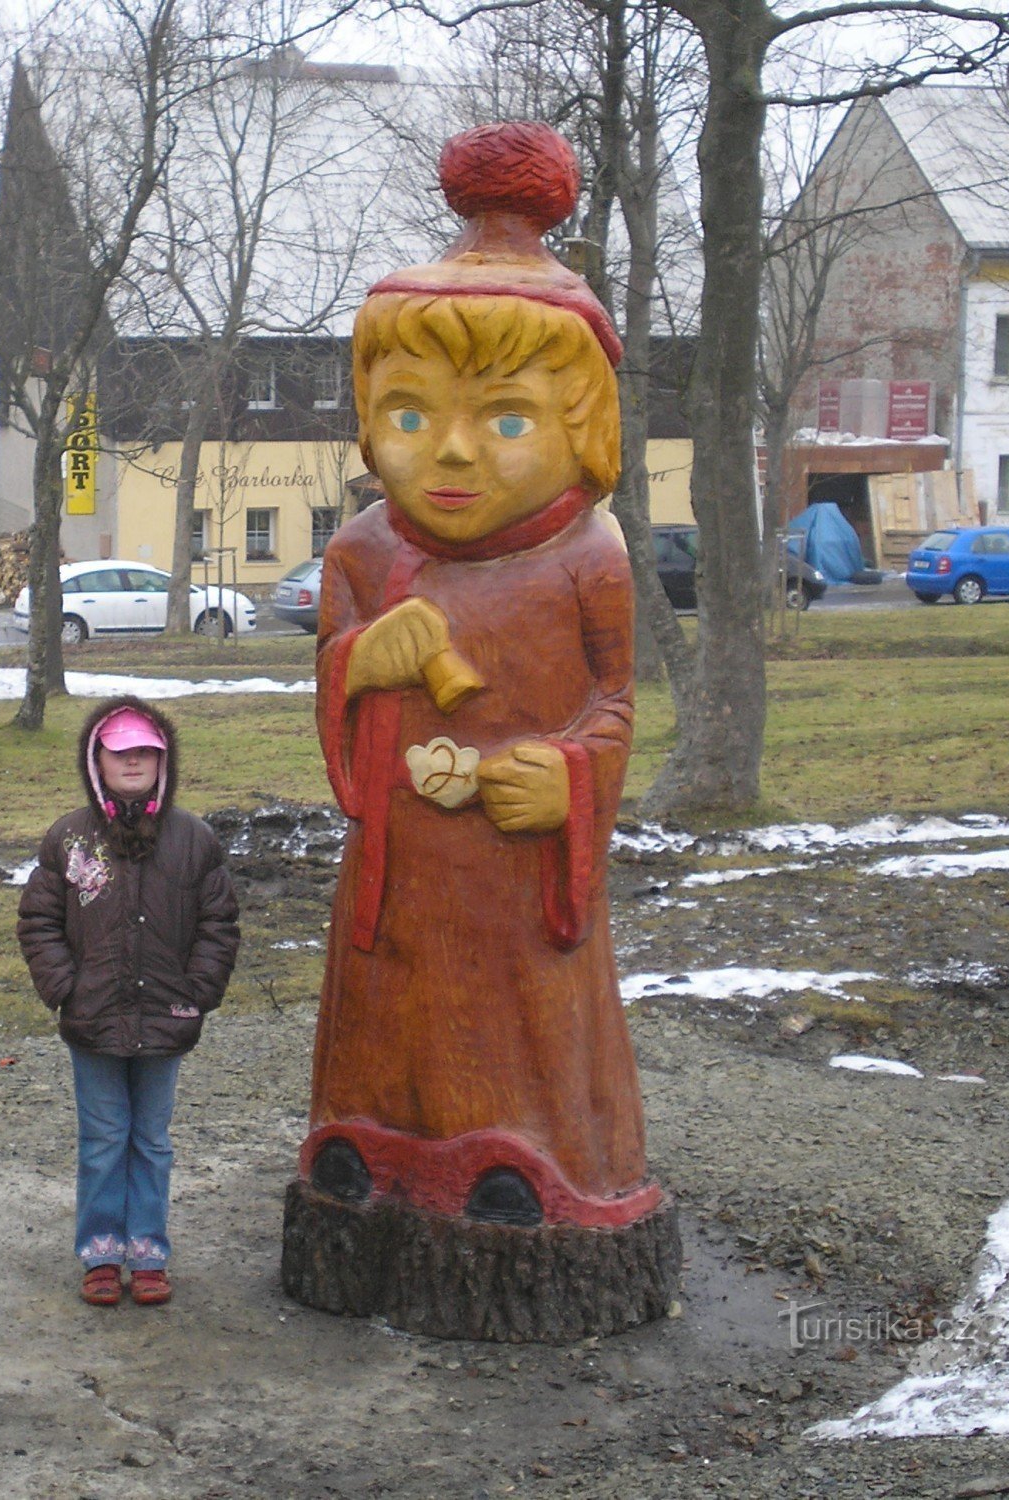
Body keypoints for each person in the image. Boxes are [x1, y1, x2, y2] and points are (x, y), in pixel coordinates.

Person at [301, 121, 662, 1234]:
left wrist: (567, 778)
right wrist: (363, 660)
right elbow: (327, 679)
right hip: (399, 863)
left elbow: (612, 706)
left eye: (503, 419)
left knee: (510, 1016)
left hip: (512, 879)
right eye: (409, 414)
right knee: (389, 1011)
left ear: (581, 425)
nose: (448, 452)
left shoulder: (586, 560)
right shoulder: (364, 553)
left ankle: (529, 1161)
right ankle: (373, 1147)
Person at [17, 697, 240, 1306]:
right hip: (93, 1019)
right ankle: (100, 1252)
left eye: (145, 751)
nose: (134, 761)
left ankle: (147, 1251)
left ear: (162, 760)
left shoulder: (193, 840)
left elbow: (219, 923)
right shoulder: (70, 839)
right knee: (103, 1135)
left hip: (168, 1015)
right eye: (122, 752)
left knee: (152, 1139)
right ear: (98, 761)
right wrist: (65, 988)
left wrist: (198, 991)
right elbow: (39, 922)